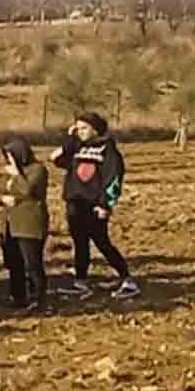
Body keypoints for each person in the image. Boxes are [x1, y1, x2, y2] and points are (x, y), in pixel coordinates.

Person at [52, 113, 139, 299]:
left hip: (94, 205)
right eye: (78, 128)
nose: (80, 132)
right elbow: (57, 159)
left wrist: (105, 204)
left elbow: (113, 177)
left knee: (102, 242)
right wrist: (69, 137)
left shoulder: (108, 149)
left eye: (84, 128)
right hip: (75, 203)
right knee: (80, 244)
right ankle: (80, 282)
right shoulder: (76, 146)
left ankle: (128, 279)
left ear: (95, 129)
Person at [0, 137, 50, 312]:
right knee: (14, 263)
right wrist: (3, 198)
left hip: (29, 224)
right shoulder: (8, 173)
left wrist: (17, 174)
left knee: (32, 263)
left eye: (11, 155)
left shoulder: (38, 170)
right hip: (9, 225)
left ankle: (38, 298)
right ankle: (17, 296)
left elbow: (28, 190)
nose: (9, 159)